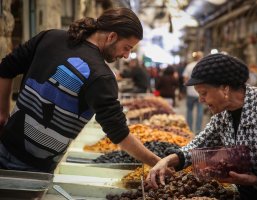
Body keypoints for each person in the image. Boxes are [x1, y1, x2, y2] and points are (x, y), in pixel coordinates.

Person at [0, 8, 160, 173]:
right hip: (32, 168)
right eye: (126, 48)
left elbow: (5, 68)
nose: (127, 55)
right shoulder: (101, 76)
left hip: (4, 142)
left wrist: (2, 113)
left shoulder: (49, 37)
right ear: (111, 36)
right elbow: (119, 133)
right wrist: (157, 162)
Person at [147, 53, 257, 200]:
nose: (200, 100)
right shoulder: (223, 112)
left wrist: (256, 179)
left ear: (225, 89)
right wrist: (168, 160)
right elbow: (201, 143)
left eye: (204, 93)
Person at [183, 51, 204, 132]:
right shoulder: (203, 66)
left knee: (189, 111)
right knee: (200, 111)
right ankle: (198, 130)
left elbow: (185, 79)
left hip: (190, 93)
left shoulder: (189, 66)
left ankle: (189, 129)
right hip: (201, 93)